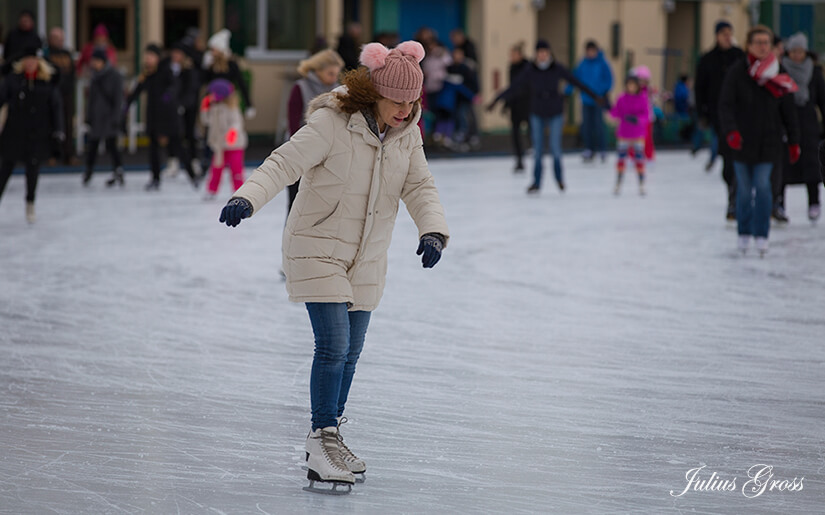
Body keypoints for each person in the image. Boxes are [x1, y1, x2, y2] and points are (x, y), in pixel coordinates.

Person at [218, 40, 449, 494]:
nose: (405, 110)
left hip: (366, 256)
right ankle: (321, 438)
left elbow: (421, 186)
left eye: (412, 102)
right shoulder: (332, 123)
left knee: (353, 351)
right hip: (317, 245)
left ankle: (332, 435)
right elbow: (283, 162)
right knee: (334, 344)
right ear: (373, 93)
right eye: (396, 101)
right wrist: (247, 196)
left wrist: (433, 231)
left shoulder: (408, 137)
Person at [719, 25, 799, 256]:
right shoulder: (738, 72)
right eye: (758, 42)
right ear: (749, 45)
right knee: (744, 190)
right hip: (742, 143)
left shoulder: (778, 72)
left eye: (767, 43)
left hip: (769, 142)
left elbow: (788, 110)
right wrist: (731, 131)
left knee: (764, 187)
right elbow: (725, 105)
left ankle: (762, 234)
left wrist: (794, 140)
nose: (763, 47)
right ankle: (744, 232)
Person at [487, 39, 604, 194]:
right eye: (539, 53)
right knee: (538, 151)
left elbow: (576, 82)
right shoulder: (530, 70)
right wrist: (496, 100)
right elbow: (514, 86)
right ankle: (536, 182)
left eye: (545, 52)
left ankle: (559, 178)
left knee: (555, 148)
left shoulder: (557, 68)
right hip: (537, 113)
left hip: (555, 112)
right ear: (536, 54)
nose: (542, 55)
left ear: (549, 53)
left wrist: (595, 96)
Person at [0, 48, 64, 223]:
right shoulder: (13, 81)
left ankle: (30, 203)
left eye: (33, 60)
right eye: (27, 60)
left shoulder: (46, 83)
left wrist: (58, 130)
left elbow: (56, 108)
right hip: (14, 132)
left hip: (38, 133)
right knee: (5, 168)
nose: (30, 64)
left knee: (33, 170)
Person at [125, 43, 199, 191]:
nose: (148, 59)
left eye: (151, 56)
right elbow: (137, 90)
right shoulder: (147, 74)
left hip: (168, 116)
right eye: (146, 56)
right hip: (153, 115)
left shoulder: (166, 71)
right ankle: (155, 178)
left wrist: (169, 96)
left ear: (158, 57)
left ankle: (192, 175)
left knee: (177, 146)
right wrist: (127, 104)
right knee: (153, 148)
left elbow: (175, 85)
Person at [696, 20, 746, 221]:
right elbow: (700, 89)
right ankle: (732, 197)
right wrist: (702, 113)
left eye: (729, 32)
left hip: (743, 116)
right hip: (719, 117)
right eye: (723, 33)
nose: (727, 36)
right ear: (716, 35)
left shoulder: (740, 57)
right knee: (728, 158)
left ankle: (740, 197)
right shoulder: (708, 59)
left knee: (743, 158)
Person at [286, 49, 344, 214]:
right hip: (300, 151)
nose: (334, 78)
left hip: (329, 154)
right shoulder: (300, 88)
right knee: (295, 205)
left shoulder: (338, 90)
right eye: (330, 73)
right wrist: (302, 149)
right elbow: (293, 123)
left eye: (336, 74)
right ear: (317, 70)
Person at [779, 33, 825, 222]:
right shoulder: (780, 70)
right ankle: (779, 202)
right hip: (786, 123)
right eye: (794, 51)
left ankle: (814, 201)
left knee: (812, 164)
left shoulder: (813, 72)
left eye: (800, 51)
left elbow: (822, 100)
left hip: (808, 124)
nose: (797, 55)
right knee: (783, 164)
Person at [83, 48, 124, 187]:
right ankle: (89, 170)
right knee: (93, 145)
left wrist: (116, 118)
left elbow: (118, 99)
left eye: (96, 61)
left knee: (111, 145)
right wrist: (88, 116)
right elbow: (91, 99)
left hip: (109, 117)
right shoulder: (95, 76)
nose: (94, 63)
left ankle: (118, 169)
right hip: (97, 117)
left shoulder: (114, 76)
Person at [567, 40, 613, 162]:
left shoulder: (602, 63)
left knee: (598, 125)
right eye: (588, 51)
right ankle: (589, 149)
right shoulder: (583, 64)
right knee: (586, 126)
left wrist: (603, 91)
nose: (590, 53)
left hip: (598, 99)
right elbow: (575, 78)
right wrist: (568, 90)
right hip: (586, 99)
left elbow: (609, 79)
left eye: (592, 51)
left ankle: (602, 149)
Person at [201, 79, 247, 200]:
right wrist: (205, 109)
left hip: (234, 145)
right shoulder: (214, 108)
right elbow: (206, 121)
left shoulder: (232, 108)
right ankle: (212, 190)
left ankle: (240, 191)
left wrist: (231, 135)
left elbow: (236, 123)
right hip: (219, 145)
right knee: (216, 168)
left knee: (236, 169)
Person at [609, 76, 650, 196]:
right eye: (629, 85)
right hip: (624, 133)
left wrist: (637, 119)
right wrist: (607, 106)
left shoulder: (642, 98)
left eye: (633, 85)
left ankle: (641, 184)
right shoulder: (622, 98)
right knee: (621, 158)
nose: (631, 87)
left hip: (638, 133)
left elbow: (646, 115)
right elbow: (615, 112)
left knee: (639, 158)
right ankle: (618, 183)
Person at [203, 29, 254, 119]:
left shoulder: (231, 64)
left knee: (230, 126)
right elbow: (207, 84)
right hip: (214, 102)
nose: (212, 52)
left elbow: (241, 83)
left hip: (229, 101)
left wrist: (248, 104)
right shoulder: (211, 64)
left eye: (213, 49)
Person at [44, 27, 76, 165]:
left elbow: (73, 73)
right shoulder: (46, 54)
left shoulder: (67, 54)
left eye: (61, 39)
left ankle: (68, 154)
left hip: (67, 93)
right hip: (51, 93)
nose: (59, 41)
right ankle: (52, 154)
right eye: (56, 38)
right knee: (52, 124)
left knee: (68, 124)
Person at [444, 46, 480, 150]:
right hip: (454, 99)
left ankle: (468, 136)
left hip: (465, 98)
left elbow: (472, 83)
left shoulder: (467, 68)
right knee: (457, 117)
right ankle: (459, 137)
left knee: (466, 117)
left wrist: (474, 94)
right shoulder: (450, 68)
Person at [505, 42, 531, 172]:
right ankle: (519, 160)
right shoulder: (511, 68)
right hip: (515, 106)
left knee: (532, 131)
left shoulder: (528, 67)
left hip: (527, 104)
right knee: (515, 134)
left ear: (520, 55)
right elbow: (511, 88)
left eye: (513, 54)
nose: (511, 57)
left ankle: (535, 154)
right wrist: (507, 103)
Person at [1, 10, 42, 75]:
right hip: (12, 68)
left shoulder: (35, 37)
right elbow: (6, 52)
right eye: (22, 21)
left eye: (26, 21)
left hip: (29, 71)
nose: (24, 23)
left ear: (31, 22)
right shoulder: (12, 35)